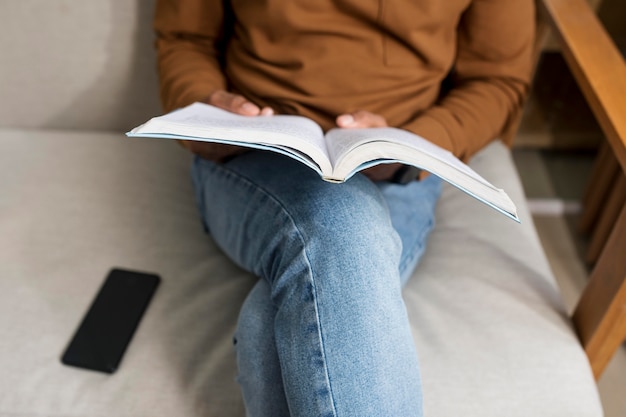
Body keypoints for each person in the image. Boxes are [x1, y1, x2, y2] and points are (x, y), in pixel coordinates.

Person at [153, 1, 534, 416]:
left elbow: (498, 79)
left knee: (268, 326)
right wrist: (209, 106)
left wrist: (409, 143)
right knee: (343, 221)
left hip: (397, 166)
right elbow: (185, 38)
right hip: (251, 152)